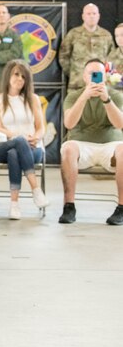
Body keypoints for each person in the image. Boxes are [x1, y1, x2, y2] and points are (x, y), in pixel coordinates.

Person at [59, 59, 123, 225]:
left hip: (110, 144)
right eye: (91, 74)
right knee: (67, 149)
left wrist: (106, 99)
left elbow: (120, 124)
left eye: (99, 74)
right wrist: (84, 97)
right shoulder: (73, 96)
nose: (95, 77)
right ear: (84, 77)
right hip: (81, 144)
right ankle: (69, 206)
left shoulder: (115, 95)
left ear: (105, 76)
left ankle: (122, 208)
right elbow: (69, 124)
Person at [0, 60, 49, 219]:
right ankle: (36, 190)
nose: (20, 79)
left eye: (24, 76)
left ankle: (14, 205)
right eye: (16, 74)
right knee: (17, 143)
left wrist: (35, 137)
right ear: (8, 75)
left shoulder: (33, 99)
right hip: (2, 146)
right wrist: (19, 137)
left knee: (14, 154)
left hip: (32, 148)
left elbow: (41, 127)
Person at [59, 3, 114, 91]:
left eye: (94, 13)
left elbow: (111, 58)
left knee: (98, 104)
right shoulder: (73, 34)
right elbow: (63, 56)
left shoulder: (106, 35)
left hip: (99, 82)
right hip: (77, 83)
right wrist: (74, 73)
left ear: (98, 16)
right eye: (88, 14)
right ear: (83, 16)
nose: (91, 16)